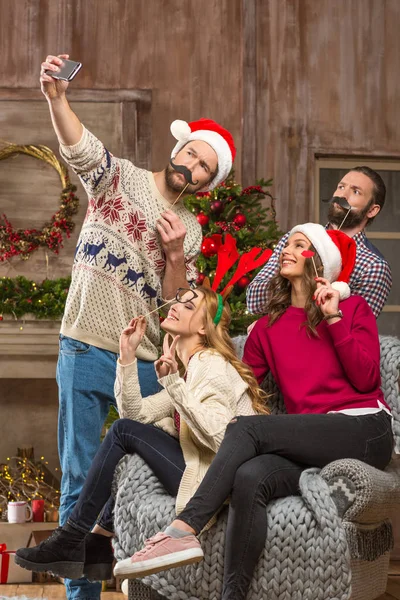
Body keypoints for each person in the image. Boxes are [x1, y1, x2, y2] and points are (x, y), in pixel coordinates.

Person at [40, 53, 237, 599]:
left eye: (204, 168)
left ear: (205, 182)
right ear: (178, 148)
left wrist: (175, 254)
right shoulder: (119, 179)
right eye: (192, 155)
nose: (192, 168)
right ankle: (82, 597)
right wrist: (57, 97)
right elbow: (79, 146)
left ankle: (141, 585)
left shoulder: (191, 231)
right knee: (79, 477)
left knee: (138, 479)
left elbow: (179, 309)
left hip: (148, 365)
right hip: (84, 345)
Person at [119, 223, 394, 600]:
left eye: (300, 245)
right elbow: (238, 385)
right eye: (287, 243)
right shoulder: (267, 329)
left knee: (248, 430)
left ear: (320, 261)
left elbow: (365, 379)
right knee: (250, 475)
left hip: (363, 428)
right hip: (308, 443)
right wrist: (185, 376)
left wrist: (333, 318)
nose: (287, 249)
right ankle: (234, 595)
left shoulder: (351, 308)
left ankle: (183, 529)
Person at [15, 286, 268, 583]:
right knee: (129, 437)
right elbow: (135, 417)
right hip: (204, 468)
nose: (176, 305)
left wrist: (173, 384)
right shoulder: (189, 370)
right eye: (179, 299)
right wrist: (127, 357)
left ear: (203, 327)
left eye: (189, 305)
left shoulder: (210, 364)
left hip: (221, 483)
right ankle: (96, 543)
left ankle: (71, 539)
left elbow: (222, 438)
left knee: (123, 434)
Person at [247, 166, 392, 318]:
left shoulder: (373, 267)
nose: (342, 195)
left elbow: (353, 329)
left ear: (372, 210)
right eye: (341, 187)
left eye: (355, 191)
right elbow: (254, 300)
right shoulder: (295, 238)